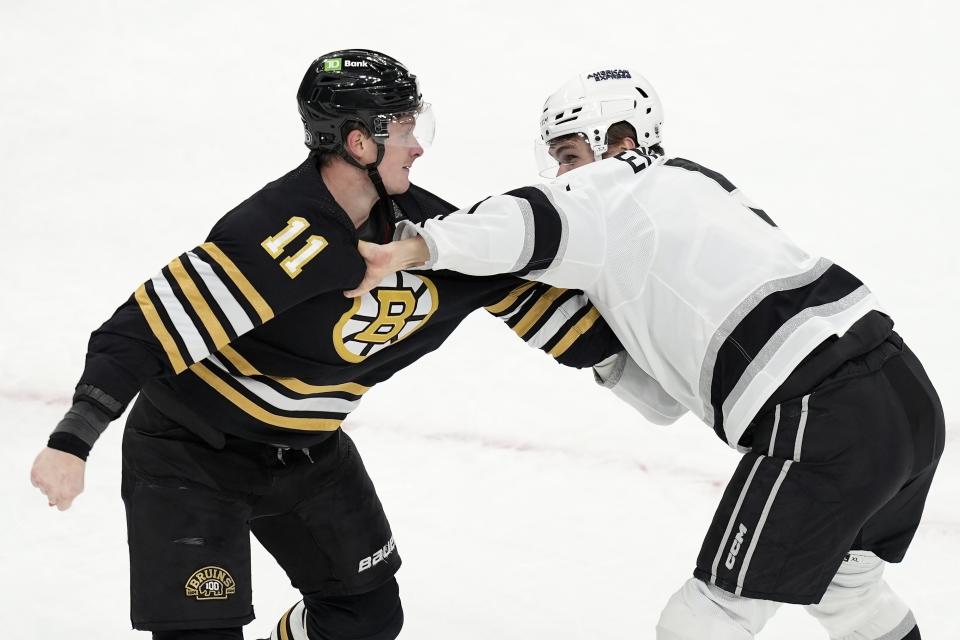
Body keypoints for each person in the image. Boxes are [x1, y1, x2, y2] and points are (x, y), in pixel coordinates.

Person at [29, 51, 620, 640]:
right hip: (191, 456)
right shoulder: (275, 233)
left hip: (309, 452)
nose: (418, 148)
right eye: (407, 130)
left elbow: (548, 310)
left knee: (366, 620)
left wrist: (657, 350)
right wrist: (71, 442)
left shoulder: (428, 235)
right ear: (360, 143)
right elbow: (140, 329)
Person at [347, 68, 945, 640]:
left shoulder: (607, 190)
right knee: (848, 590)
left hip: (822, 417)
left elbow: (518, 224)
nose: (562, 174)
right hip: (905, 393)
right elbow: (665, 401)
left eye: (570, 154)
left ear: (621, 140)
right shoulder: (700, 184)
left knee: (704, 620)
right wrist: (596, 351)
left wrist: (409, 249)